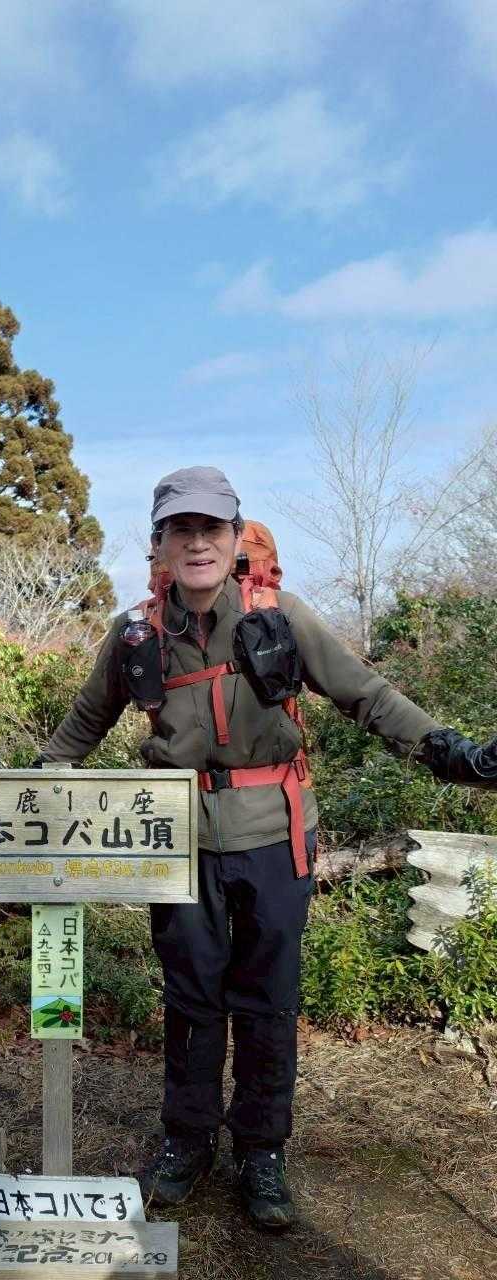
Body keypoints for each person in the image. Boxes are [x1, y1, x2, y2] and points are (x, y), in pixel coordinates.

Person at [35, 465, 497, 1231]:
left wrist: (455, 755)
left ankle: (261, 1150)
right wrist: (29, 793)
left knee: (267, 1001)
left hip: (275, 836)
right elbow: (82, 725)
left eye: (210, 528)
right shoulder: (137, 635)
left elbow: (366, 696)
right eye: (181, 530)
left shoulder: (278, 618)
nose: (197, 544)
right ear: (159, 545)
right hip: (177, 840)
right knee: (190, 999)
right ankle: (187, 1140)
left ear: (233, 536)